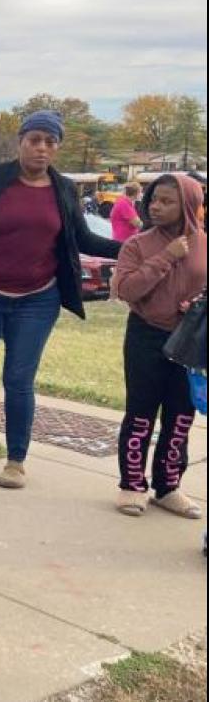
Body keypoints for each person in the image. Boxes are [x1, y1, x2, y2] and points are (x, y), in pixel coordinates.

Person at [0, 110, 121, 490]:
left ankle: (16, 459)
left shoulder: (64, 189)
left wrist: (134, 247)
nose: (41, 148)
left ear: (57, 148)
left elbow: (83, 240)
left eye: (50, 142)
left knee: (19, 380)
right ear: (20, 141)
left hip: (37, 300)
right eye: (34, 139)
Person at [112, 174, 206, 518]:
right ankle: (132, 485)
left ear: (189, 207)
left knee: (181, 415)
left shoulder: (205, 244)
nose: (156, 207)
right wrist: (166, 256)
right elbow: (127, 290)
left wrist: (197, 302)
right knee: (140, 414)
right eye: (153, 199)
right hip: (146, 335)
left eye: (167, 201)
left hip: (190, 340)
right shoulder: (137, 245)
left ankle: (168, 487)